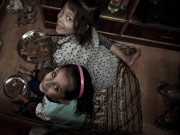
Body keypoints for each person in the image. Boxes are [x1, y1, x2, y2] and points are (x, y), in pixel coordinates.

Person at [48, 0, 141, 91]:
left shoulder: (67, 54)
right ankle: (125, 58)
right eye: (62, 10)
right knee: (101, 39)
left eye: (69, 18)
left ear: (83, 27)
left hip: (92, 78)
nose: (59, 17)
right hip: (103, 65)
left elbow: (63, 71)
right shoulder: (88, 31)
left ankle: (126, 58)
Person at [12, 64, 94, 130]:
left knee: (29, 105)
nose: (46, 83)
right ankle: (31, 76)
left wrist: (23, 99)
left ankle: (21, 111)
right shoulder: (72, 92)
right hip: (61, 104)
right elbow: (46, 74)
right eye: (54, 74)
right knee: (43, 87)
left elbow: (34, 109)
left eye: (56, 87)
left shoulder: (49, 111)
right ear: (57, 68)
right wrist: (34, 73)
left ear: (63, 100)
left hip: (62, 124)